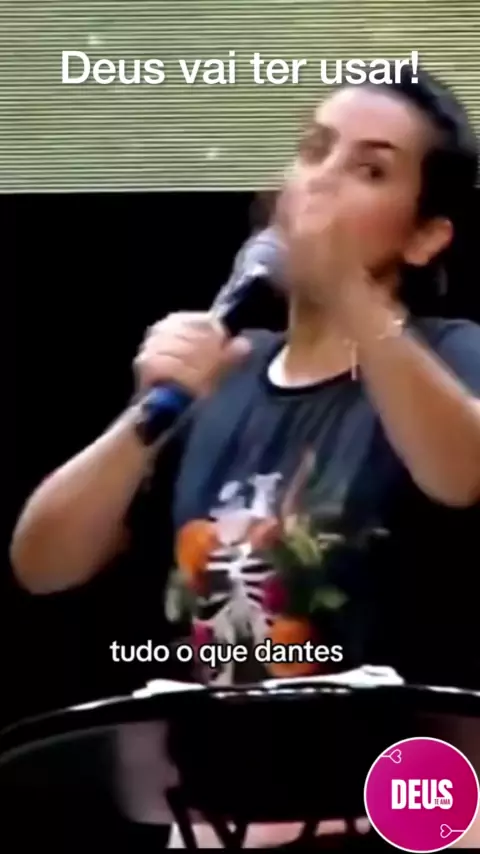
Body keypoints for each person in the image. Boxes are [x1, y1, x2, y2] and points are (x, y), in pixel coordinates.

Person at [10, 65, 480, 845]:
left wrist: (351, 293)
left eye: (369, 170)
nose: (321, 182)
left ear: (425, 235)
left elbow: (463, 471)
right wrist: (148, 416)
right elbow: (43, 563)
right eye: (314, 150)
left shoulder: (451, 358)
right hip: (225, 816)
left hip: (411, 810)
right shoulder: (220, 376)